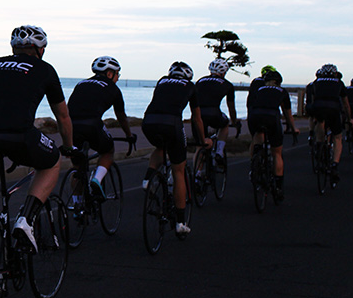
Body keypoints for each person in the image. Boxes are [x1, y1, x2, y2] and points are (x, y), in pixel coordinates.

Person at [0, 25, 75, 260]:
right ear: (41, 49)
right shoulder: (45, 69)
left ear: (13, 48)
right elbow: (63, 117)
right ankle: (27, 219)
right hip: (16, 133)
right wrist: (68, 146)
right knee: (52, 161)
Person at [141, 61, 211, 235]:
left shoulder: (162, 81)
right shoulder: (191, 86)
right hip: (171, 124)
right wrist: (202, 141)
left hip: (148, 122)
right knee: (179, 171)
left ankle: (148, 178)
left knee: (160, 146)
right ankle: (180, 222)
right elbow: (197, 118)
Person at [67, 56, 135, 200]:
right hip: (92, 124)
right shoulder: (113, 89)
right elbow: (121, 116)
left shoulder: (81, 84)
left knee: (78, 168)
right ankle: (97, 179)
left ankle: (77, 204)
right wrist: (129, 135)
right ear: (109, 74)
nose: (118, 78)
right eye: (117, 74)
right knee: (108, 150)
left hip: (71, 126)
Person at [247, 70, 298, 201]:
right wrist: (293, 129)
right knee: (277, 153)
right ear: (278, 82)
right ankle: (278, 187)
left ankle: (255, 163)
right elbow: (288, 114)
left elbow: (250, 106)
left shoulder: (258, 90)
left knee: (258, 137)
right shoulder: (282, 91)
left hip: (255, 116)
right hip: (271, 117)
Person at [310, 63, 352, 186]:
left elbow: (312, 100)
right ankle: (334, 165)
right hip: (333, 109)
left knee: (320, 122)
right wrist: (349, 118)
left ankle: (319, 144)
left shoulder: (315, 83)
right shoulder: (339, 83)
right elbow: (346, 104)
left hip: (318, 107)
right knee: (338, 137)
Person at [195, 58, 239, 163]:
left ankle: (198, 174)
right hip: (214, 113)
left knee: (200, 145)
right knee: (225, 124)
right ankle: (219, 151)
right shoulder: (227, 84)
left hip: (199, 114)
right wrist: (234, 121)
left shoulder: (200, 81)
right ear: (224, 72)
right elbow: (231, 107)